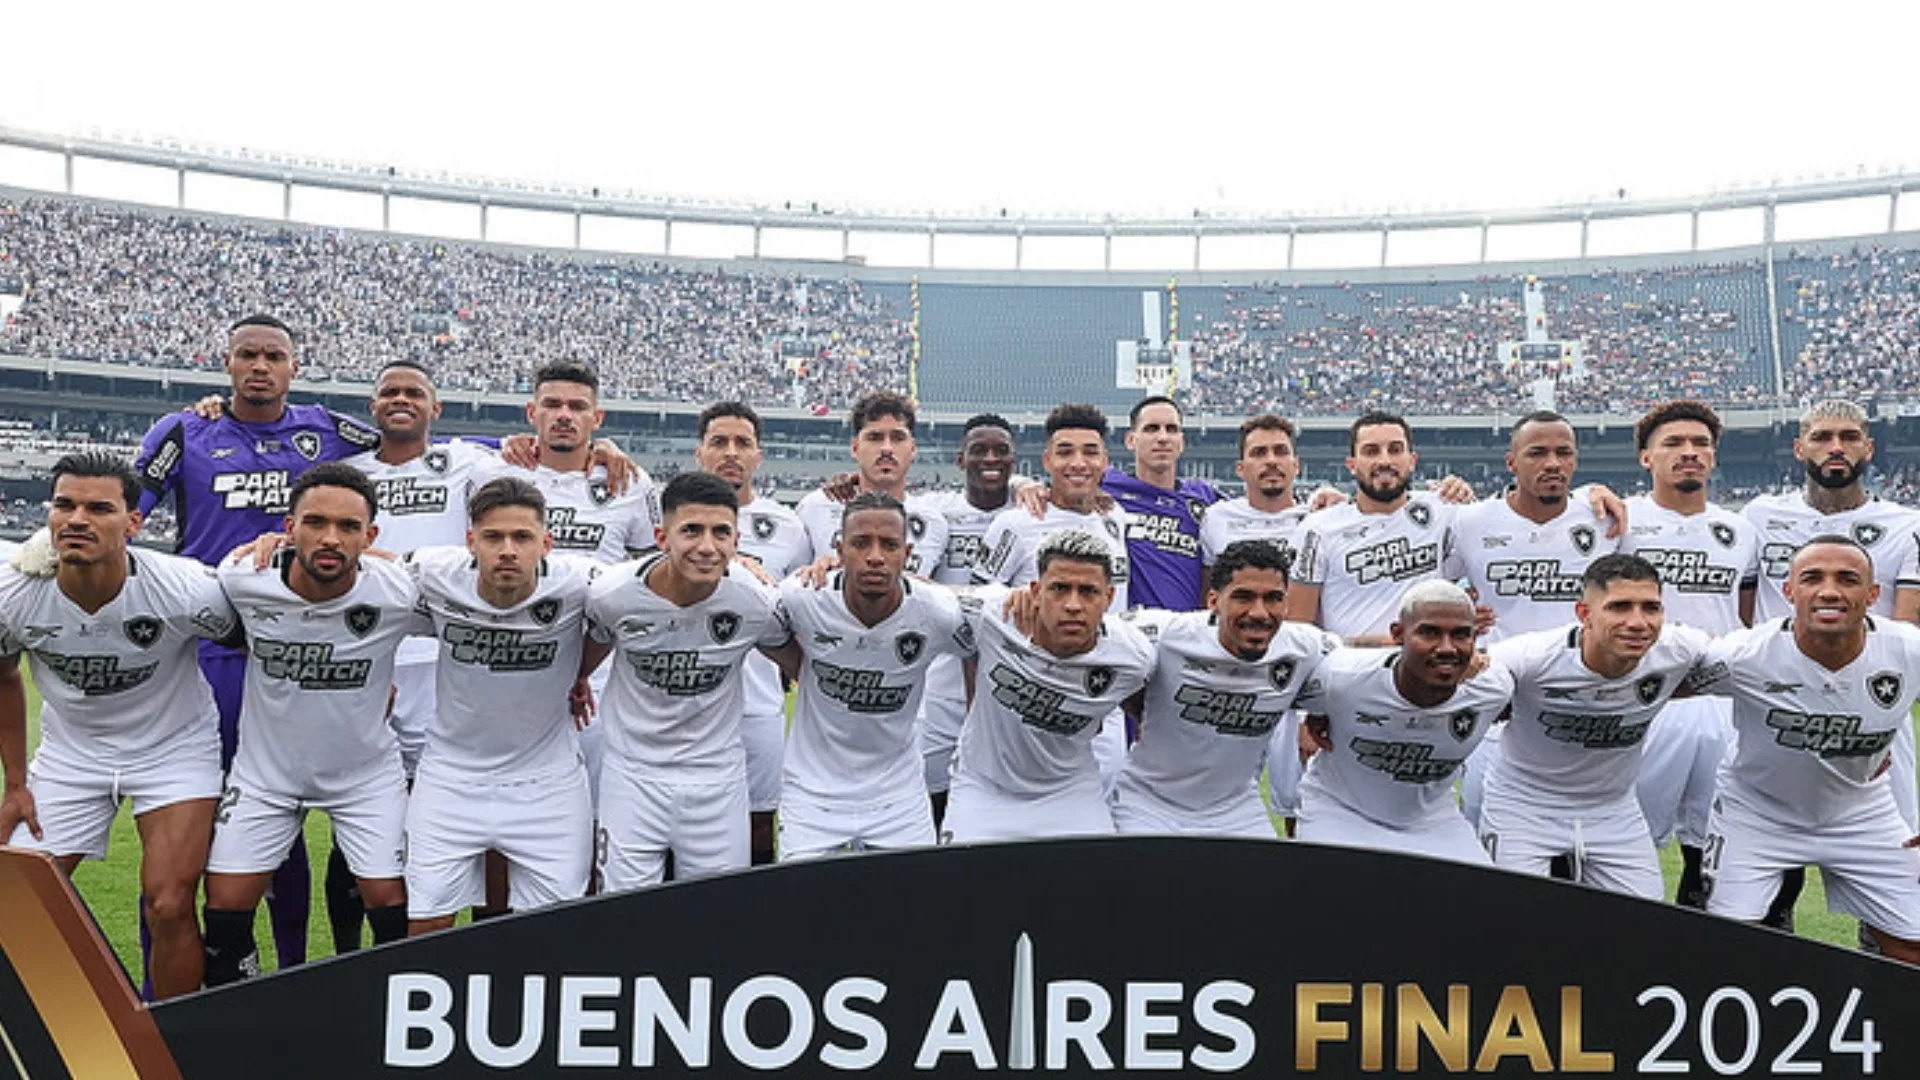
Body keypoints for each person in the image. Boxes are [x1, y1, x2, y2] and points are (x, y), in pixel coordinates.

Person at [133, 314, 379, 976]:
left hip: (297, 644)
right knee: (193, 814)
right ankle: (190, 973)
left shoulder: (325, 428)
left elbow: (415, 450)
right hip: (211, 645)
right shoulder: (186, 431)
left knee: (282, 808)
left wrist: (533, 448)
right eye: (248, 355)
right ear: (227, 362)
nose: (260, 366)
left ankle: (290, 967)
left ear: (295, 366)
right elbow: (127, 507)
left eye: (274, 355)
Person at [0, 452, 237, 999]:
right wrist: (15, 783)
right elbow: (2, 673)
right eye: (65, 504)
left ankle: (170, 1042)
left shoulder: (185, 589)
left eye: (98, 508)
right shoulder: (15, 594)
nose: (77, 518)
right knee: (17, 903)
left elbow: (250, 641)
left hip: (174, 751)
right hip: (71, 756)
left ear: (133, 523)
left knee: (170, 903)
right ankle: (66, 1029)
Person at [202, 463, 417, 986]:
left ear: (371, 536)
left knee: (392, 906)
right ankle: (244, 1011)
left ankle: (380, 1016)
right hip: (266, 777)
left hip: (365, 776)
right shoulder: (241, 579)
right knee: (225, 908)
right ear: (288, 526)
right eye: (315, 522)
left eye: (349, 528)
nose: (330, 538)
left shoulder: (399, 590)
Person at [1693, 537, 1920, 964]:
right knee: (1730, 947)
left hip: (1860, 810)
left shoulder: (1908, 650)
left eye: (1847, 580)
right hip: (1757, 811)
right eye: (1812, 578)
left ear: (1872, 595)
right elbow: (1652, 683)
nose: (1830, 591)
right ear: (1789, 592)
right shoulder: (1746, 655)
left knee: (1911, 943)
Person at [403, 478, 598, 935]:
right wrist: (283, 546)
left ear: (545, 543)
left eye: (522, 537)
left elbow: (651, 585)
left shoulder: (579, 582)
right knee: (425, 926)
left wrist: (583, 670)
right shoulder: (435, 572)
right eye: (493, 537)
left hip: (548, 784)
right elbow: (363, 568)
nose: (508, 550)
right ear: (471, 541)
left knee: (557, 934)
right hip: (450, 780)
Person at [585, 472, 789, 891]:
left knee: (716, 921)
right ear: (662, 536)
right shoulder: (613, 594)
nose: (707, 547)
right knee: (623, 913)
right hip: (632, 775)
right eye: (691, 531)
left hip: (717, 780)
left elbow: (802, 662)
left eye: (721, 533)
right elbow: (591, 647)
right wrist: (578, 681)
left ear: (737, 542)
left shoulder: (756, 603)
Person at [1479, 555, 1713, 899]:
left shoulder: (1680, 650)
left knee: (1645, 925)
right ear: (1584, 613)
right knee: (1515, 922)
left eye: (1651, 608)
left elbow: (1749, 660)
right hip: (1523, 806)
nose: (1638, 622)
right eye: (1620, 607)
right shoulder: (1530, 657)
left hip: (1613, 810)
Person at [765, 493, 973, 858]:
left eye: (889, 545)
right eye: (861, 543)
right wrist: (806, 670)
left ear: (907, 555)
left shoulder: (938, 613)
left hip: (898, 795)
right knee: (800, 906)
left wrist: (974, 723)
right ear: (839, 550)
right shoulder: (801, 598)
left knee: (909, 908)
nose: (875, 556)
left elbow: (978, 648)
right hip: (813, 792)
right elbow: (760, 627)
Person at [1443, 411, 1620, 830]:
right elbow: (1430, 592)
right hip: (1497, 698)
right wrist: (1461, 616)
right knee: (1484, 822)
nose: (1553, 464)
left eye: (1564, 453)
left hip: (1581, 698)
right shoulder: (1470, 522)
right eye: (1537, 453)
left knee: (1582, 830)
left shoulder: (1605, 519)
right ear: (1512, 462)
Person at [1618, 401, 1759, 910]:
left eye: (1700, 444)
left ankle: (1697, 952)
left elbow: (1744, 616)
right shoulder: (1620, 520)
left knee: (1713, 841)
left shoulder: (1741, 530)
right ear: (1645, 458)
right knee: (1626, 834)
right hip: (1647, 699)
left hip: (1719, 702)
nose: (1689, 454)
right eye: (1673, 444)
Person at [1111, 540, 1337, 837]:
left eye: (1273, 598)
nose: (1259, 612)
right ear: (1214, 601)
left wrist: (1320, 712)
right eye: (1244, 597)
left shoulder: (1304, 647)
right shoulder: (1166, 633)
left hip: (1236, 809)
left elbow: (1361, 668)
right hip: (1148, 804)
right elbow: (1087, 634)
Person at [944, 530, 1155, 842]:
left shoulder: (1134, 656)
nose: (1073, 605)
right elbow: (920, 594)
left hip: (1069, 791)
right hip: (984, 787)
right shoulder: (995, 613)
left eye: (1088, 591)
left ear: (1109, 598)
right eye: (1059, 589)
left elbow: (1145, 711)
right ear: (1035, 591)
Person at [516, 359, 659, 811]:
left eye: (577, 407)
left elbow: (648, 580)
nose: (564, 415)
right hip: (516, 663)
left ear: (596, 419)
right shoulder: (498, 473)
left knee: (597, 810)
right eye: (552, 404)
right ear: (531, 412)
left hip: (600, 677)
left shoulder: (630, 483)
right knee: (513, 809)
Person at [1293, 581, 1514, 864]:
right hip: (1339, 811)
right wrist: (1312, 713)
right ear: (1398, 634)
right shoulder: (1340, 677)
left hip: (1433, 821)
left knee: (1480, 902)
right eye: (1430, 633)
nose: (1447, 648)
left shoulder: (1493, 689)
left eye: (1461, 635)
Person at [974, 404, 1133, 788]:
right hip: (1031, 702)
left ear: (1106, 462)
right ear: (1047, 460)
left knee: (1097, 822)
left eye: (1090, 452)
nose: (1078, 463)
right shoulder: (1015, 524)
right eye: (1065, 452)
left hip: (1101, 703)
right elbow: (975, 614)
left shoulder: (1116, 519)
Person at [694, 401, 811, 865]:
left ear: (759, 455)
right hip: (686, 701)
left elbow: (802, 605)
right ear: (700, 451)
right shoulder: (672, 512)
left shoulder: (787, 526)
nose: (731, 453)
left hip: (759, 701)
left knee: (760, 824)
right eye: (719, 442)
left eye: (743, 443)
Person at [917, 414, 1017, 822]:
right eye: (979, 450)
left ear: (1015, 461)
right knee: (932, 789)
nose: (990, 458)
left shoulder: (1033, 512)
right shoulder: (936, 512)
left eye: (1000, 451)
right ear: (961, 460)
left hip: (1009, 675)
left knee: (1002, 793)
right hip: (944, 680)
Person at [1288, 411, 1456, 643]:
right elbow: (1298, 628)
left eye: (1395, 450)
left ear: (1412, 460)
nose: (1385, 461)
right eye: (1371, 451)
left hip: (1425, 668)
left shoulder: (1443, 512)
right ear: (1352, 464)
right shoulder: (1318, 529)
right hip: (1350, 669)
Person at [795, 390, 950, 579]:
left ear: (913, 449)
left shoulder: (934, 523)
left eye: (898, 438)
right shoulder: (815, 508)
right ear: (855, 448)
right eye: (875, 438)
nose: (886, 448)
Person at [1102, 395, 1221, 611]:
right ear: (1131, 440)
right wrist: (1022, 484)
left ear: (1182, 442)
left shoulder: (1205, 498)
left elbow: (1255, 510)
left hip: (1185, 634)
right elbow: (1057, 489)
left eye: (1172, 429)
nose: (1163, 437)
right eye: (1151, 429)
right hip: (1129, 632)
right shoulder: (1106, 486)